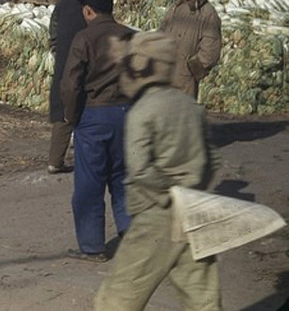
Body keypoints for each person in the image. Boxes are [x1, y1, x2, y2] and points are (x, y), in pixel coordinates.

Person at [94, 31, 220, 310]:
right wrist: (192, 187)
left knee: (117, 298)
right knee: (203, 299)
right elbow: (213, 161)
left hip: (157, 217)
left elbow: (139, 169)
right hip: (195, 213)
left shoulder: (143, 111)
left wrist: (168, 191)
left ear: (140, 66)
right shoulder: (191, 106)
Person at [60, 0, 134, 262]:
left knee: (90, 184)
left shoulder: (85, 38)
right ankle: (130, 232)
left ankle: (92, 246)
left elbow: (70, 84)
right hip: (127, 113)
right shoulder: (130, 36)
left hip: (94, 115)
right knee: (124, 177)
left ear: (88, 10)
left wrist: (72, 115)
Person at [47, 0, 104, 174]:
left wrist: (55, 46)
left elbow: (54, 23)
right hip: (88, 55)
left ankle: (55, 160)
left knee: (64, 104)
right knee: (88, 103)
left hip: (65, 56)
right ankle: (87, 158)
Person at [160, 0, 222, 98]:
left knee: (182, 116)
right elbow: (162, 31)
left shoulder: (207, 14)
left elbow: (211, 50)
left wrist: (190, 69)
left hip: (185, 81)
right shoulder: (176, 7)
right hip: (164, 74)